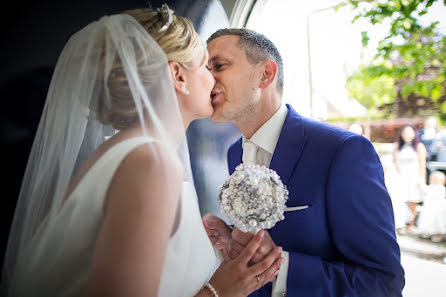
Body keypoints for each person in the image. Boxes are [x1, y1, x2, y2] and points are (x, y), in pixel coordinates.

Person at [1, 6, 284, 297]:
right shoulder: (150, 162)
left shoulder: (124, 152)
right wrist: (221, 290)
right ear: (178, 76)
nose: (213, 79)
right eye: (204, 66)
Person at [203, 28, 405, 297]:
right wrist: (233, 242)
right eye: (204, 70)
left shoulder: (343, 151)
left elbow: (383, 284)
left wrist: (277, 268)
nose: (207, 80)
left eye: (218, 66)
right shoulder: (233, 154)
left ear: (266, 74)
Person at [393, 124, 426, 229]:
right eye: (405, 132)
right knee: (400, 199)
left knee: (413, 199)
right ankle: (401, 222)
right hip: (400, 176)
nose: (407, 134)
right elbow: (393, 162)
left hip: (414, 176)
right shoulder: (397, 146)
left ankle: (411, 223)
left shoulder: (419, 146)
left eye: (409, 132)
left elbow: (422, 163)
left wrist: (421, 178)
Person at [417, 171, 446, 243]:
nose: (434, 181)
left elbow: (429, 192)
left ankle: (438, 234)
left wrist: (422, 186)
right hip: (429, 208)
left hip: (438, 208)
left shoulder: (441, 188)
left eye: (437, 179)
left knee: (438, 221)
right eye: (433, 179)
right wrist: (421, 185)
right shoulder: (430, 187)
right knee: (428, 220)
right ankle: (428, 232)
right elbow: (425, 191)